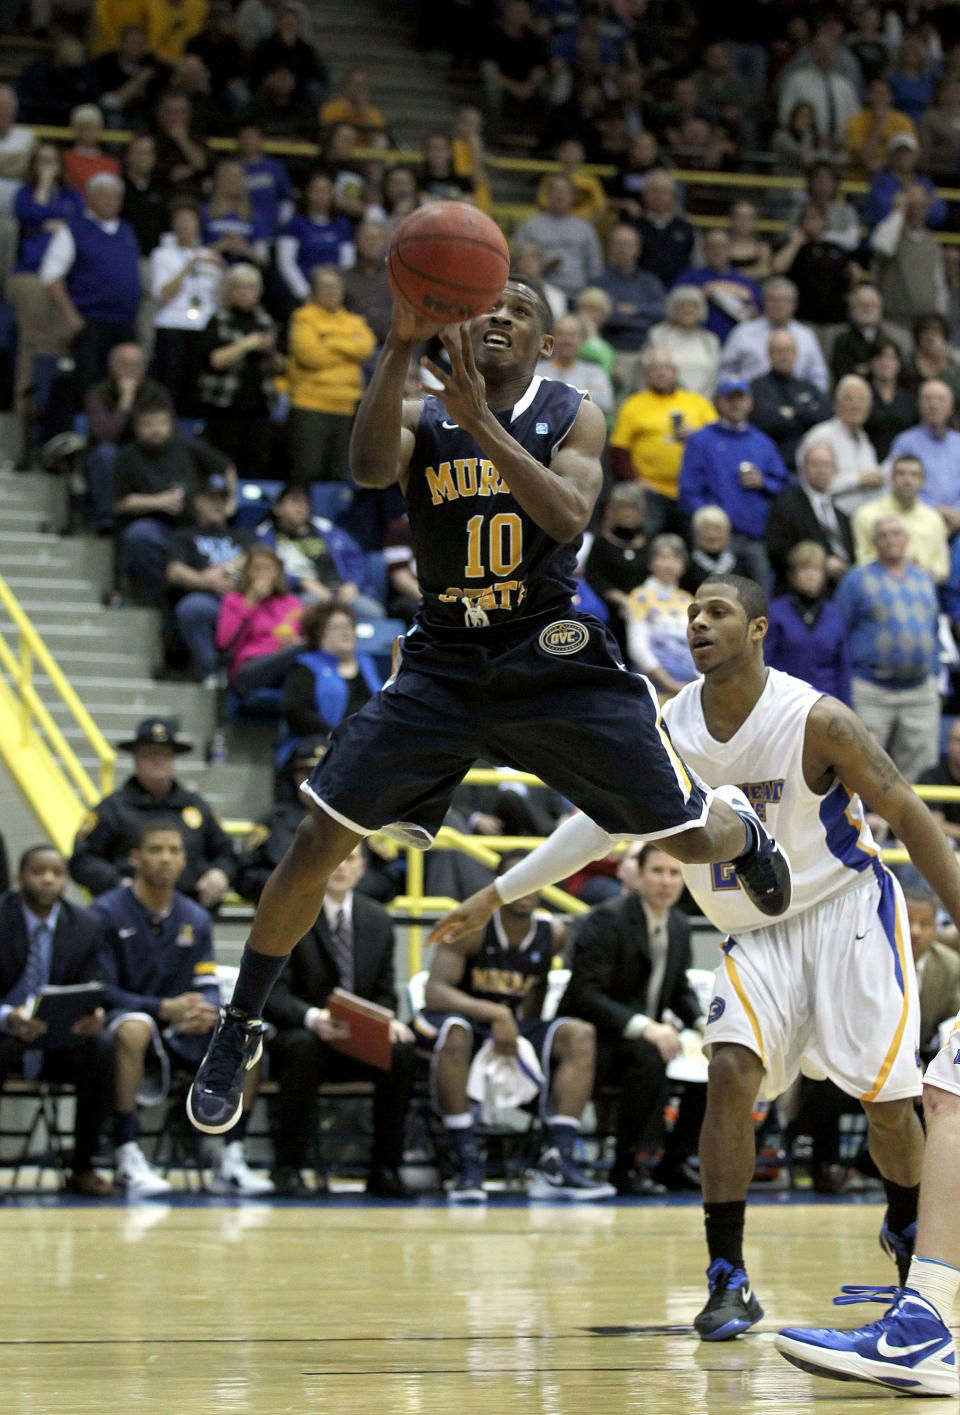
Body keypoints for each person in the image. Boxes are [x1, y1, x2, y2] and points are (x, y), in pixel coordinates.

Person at [185, 277, 792, 1140]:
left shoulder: (574, 411)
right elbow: (362, 468)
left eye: (522, 311)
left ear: (546, 343)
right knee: (319, 834)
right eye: (488, 306)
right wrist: (397, 346)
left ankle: (745, 830)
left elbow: (568, 513)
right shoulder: (423, 403)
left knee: (688, 838)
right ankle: (239, 1022)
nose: (500, 316)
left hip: (547, 651)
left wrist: (480, 425)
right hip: (443, 653)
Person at [431, 572, 960, 1343]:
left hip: (846, 911)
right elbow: (603, 823)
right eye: (691, 614)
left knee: (887, 1107)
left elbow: (909, 812)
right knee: (728, 1073)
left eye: (717, 611)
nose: (699, 624)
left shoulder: (818, 717)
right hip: (752, 932)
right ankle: (728, 1274)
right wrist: (500, 890)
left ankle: (911, 1235)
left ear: (757, 629)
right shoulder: (668, 727)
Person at [415, 850, 613, 1202]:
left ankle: (557, 1160)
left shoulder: (552, 934)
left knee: (579, 1034)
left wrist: (520, 1036)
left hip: (508, 1028)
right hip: (460, 1024)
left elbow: (535, 994)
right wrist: (496, 1014)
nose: (526, 887)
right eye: (517, 878)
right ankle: (466, 1160)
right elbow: (434, 991)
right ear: (499, 885)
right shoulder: (473, 928)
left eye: (533, 878)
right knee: (457, 1032)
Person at [93, 820, 270, 1199]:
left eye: (175, 850)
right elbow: (102, 990)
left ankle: (231, 1156)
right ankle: (125, 1154)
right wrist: (163, 1008)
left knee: (247, 1035)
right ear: (135, 858)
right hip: (126, 1026)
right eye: (156, 850)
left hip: (183, 1027)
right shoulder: (105, 912)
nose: (166, 858)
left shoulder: (195, 917)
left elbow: (206, 981)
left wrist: (204, 1009)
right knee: (134, 1027)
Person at [264, 843, 415, 1197]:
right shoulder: (291, 911)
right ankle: (289, 1167)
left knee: (402, 1051)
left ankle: (385, 1168)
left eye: (348, 859)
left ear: (361, 868)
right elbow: (273, 994)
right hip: (307, 1036)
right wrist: (313, 1017)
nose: (340, 866)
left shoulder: (377, 919)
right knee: (301, 1049)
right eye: (333, 856)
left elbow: (384, 991)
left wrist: (384, 1019)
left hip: (358, 1038)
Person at [560, 841, 705, 1194]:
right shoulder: (607, 919)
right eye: (657, 871)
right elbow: (584, 994)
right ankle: (627, 1165)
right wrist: (645, 1027)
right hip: (597, 1037)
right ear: (638, 876)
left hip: (645, 1035)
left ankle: (675, 1161)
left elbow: (679, 989)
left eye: (674, 873)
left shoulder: (681, 926)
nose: (666, 881)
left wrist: (702, 1023)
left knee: (714, 1058)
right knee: (649, 1057)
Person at [0, 845, 114, 1196]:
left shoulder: (87, 925)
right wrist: (9, 1016)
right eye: (38, 872)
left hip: (57, 1036)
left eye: (57, 873)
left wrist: (92, 1016)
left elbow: (96, 986)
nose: (48, 879)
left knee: (102, 1046)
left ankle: (83, 1166)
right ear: (20, 877)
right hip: (5, 1033)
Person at [70, 716, 237, 910]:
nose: (158, 760)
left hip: (190, 910)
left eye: (164, 754)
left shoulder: (196, 806)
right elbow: (82, 860)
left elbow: (228, 853)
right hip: (129, 911)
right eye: (149, 754)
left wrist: (221, 874)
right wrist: (118, 883)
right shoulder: (112, 808)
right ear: (136, 759)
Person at [835, 514, 941, 783]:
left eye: (896, 534)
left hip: (920, 691)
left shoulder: (924, 579)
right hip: (872, 690)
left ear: (906, 539)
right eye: (883, 535)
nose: (890, 540)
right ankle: (867, 825)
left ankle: (905, 827)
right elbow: (839, 632)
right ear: (874, 542)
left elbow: (933, 629)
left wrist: (935, 676)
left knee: (920, 769)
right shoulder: (855, 579)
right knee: (863, 765)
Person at [113, 403, 236, 601]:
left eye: (161, 423)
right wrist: (156, 502)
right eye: (148, 425)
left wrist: (231, 502)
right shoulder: (127, 456)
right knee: (139, 535)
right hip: (158, 526)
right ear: (137, 428)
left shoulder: (187, 446)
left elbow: (227, 467)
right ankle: (162, 596)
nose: (156, 430)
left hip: (194, 525)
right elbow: (119, 503)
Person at [39, 172, 142, 398]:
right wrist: (71, 316)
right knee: (89, 380)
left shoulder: (126, 230)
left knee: (125, 383)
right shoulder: (74, 229)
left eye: (115, 197)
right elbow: (51, 276)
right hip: (90, 320)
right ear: (90, 199)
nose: (110, 202)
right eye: (104, 196)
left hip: (124, 321)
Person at [678, 377, 788, 587]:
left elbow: (782, 484)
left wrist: (763, 482)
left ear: (750, 402)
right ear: (718, 402)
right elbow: (688, 491)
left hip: (755, 539)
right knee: (714, 602)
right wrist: (709, 522)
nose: (735, 403)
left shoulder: (763, 443)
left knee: (760, 603)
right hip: (715, 541)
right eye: (729, 398)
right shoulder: (701, 440)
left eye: (741, 398)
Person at [608, 348, 715, 539]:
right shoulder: (634, 404)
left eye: (666, 367)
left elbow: (718, 443)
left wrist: (697, 435)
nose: (661, 372)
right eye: (654, 368)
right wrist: (636, 480)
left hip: (692, 491)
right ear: (646, 374)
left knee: (693, 541)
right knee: (648, 538)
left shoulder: (698, 403)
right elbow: (618, 451)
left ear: (675, 372)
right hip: (650, 490)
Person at [286, 266, 377, 485]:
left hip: (346, 406)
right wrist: (348, 351)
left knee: (338, 474)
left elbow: (366, 347)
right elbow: (309, 355)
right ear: (314, 291)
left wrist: (328, 341)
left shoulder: (355, 321)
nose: (331, 291)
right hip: (310, 404)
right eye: (325, 287)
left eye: (335, 286)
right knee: (307, 470)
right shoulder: (303, 317)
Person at [165, 476, 253, 682]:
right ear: (197, 501)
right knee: (192, 608)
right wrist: (206, 581)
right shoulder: (185, 535)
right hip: (210, 600)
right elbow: (174, 571)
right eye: (211, 498)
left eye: (223, 499)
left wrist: (227, 569)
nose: (218, 503)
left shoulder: (241, 535)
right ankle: (212, 673)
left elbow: (258, 556)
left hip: (246, 599)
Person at [197, 263, 280, 482]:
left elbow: (280, 366)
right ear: (229, 291)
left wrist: (272, 354)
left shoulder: (266, 322)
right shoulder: (218, 320)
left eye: (250, 287)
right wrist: (247, 344)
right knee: (223, 463)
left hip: (259, 406)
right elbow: (213, 360)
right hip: (224, 407)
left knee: (256, 463)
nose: (244, 293)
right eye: (239, 287)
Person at [254, 482, 382, 617]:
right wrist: (301, 582)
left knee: (374, 613)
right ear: (277, 507)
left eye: (305, 503)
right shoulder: (266, 536)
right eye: (294, 502)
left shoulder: (327, 529)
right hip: (300, 595)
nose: (301, 508)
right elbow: (265, 570)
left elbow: (355, 558)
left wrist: (353, 584)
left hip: (341, 592)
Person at [83, 342, 173, 535]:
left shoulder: (156, 393)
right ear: (112, 367)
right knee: (105, 454)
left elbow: (169, 432)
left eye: (137, 365)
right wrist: (125, 402)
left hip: (148, 453)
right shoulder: (98, 393)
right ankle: (108, 520)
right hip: (113, 456)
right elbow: (105, 435)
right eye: (126, 364)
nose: (132, 371)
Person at [149, 198, 223, 416]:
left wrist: (224, 271)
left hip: (203, 326)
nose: (185, 225)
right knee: (172, 384)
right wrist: (188, 265)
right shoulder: (161, 255)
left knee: (198, 386)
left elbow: (223, 298)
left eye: (190, 220)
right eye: (180, 221)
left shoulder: (211, 256)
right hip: (172, 326)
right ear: (173, 225)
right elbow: (163, 294)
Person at [281, 602, 382, 751]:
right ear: (318, 633)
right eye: (337, 627)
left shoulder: (366, 662)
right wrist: (331, 735)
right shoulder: (306, 665)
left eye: (349, 625)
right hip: (325, 745)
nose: (346, 632)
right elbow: (295, 711)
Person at [765, 541, 852, 703]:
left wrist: (846, 708)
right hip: (784, 703)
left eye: (816, 570)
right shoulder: (775, 612)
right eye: (804, 569)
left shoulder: (835, 615)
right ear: (792, 574)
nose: (810, 576)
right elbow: (765, 663)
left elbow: (843, 667)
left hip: (826, 703)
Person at [765, 440, 854, 597]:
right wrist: (820, 563)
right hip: (797, 596)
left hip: (839, 593)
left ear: (835, 470)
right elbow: (776, 550)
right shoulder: (786, 505)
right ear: (803, 469)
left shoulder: (842, 516)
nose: (821, 470)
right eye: (815, 464)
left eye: (826, 465)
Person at [216, 545, 303, 699]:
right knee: (306, 647)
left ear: (278, 573)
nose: (262, 575)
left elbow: (300, 635)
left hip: (285, 667)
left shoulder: (291, 602)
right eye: (256, 569)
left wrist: (291, 641)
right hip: (249, 669)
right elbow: (225, 643)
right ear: (247, 573)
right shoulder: (234, 599)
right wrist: (251, 601)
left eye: (268, 569)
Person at [718, 276, 829, 392]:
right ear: (764, 302)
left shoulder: (806, 336)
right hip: (752, 401)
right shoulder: (743, 332)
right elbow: (725, 371)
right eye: (774, 300)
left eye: (784, 300)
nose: (779, 305)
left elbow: (819, 377)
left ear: (794, 304)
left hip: (798, 402)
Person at [853, 453, 949, 583]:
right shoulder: (867, 514)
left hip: (923, 589)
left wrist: (919, 572)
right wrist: (896, 565)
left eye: (914, 475)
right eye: (901, 474)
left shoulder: (934, 519)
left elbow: (942, 570)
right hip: (878, 588)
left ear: (923, 481)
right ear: (892, 479)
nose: (907, 480)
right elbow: (862, 561)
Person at [798, 375, 885, 518]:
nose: (856, 405)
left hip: (864, 520)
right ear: (837, 404)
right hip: (829, 520)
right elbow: (809, 484)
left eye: (862, 400)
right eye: (849, 399)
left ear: (869, 408)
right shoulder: (821, 436)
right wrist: (858, 480)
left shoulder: (865, 441)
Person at [749, 329, 832, 472]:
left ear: (796, 354)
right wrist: (806, 416)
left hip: (808, 467)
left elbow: (827, 414)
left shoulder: (807, 387)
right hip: (771, 465)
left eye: (789, 350)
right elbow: (763, 420)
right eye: (779, 351)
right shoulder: (757, 387)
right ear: (769, 354)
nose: (784, 356)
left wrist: (793, 412)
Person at [512, 173, 603, 302]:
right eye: (556, 191)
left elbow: (595, 269)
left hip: (577, 295)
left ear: (573, 197)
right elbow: (517, 262)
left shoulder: (585, 229)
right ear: (547, 195)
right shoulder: (530, 226)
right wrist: (543, 265)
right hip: (538, 293)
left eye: (565, 191)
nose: (560, 195)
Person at [625, 534, 697, 696]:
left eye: (675, 558)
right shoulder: (639, 596)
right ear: (651, 562)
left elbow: (696, 643)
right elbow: (637, 648)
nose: (669, 564)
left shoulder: (687, 599)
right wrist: (670, 684)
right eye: (663, 557)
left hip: (689, 687)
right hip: (653, 687)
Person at [887, 380, 960, 537]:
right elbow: (897, 486)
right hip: (917, 523)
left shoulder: (958, 443)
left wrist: (957, 515)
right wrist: (938, 511)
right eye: (928, 399)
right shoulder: (904, 442)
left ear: (951, 407)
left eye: (940, 399)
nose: (934, 405)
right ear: (919, 405)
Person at [276, 171, 354, 307]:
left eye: (326, 190)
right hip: (304, 292)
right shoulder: (295, 223)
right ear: (307, 193)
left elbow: (347, 263)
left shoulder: (342, 224)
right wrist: (304, 293)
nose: (321, 195)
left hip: (334, 292)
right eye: (316, 190)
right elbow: (286, 262)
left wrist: (336, 291)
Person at [594, 223, 665, 359]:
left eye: (628, 244)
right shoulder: (600, 283)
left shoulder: (650, 281)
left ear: (638, 248)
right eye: (619, 244)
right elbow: (609, 317)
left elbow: (661, 311)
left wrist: (635, 309)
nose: (623, 249)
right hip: (611, 349)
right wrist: (644, 318)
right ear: (610, 248)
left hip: (647, 350)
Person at [906, 887, 960, 1065]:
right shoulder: (868, 961)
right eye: (907, 921)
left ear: (936, 928)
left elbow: (951, 1023)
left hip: (927, 1061)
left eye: (924, 924)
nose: (915, 931)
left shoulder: (950, 964)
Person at [644, 286, 721, 401]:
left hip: (703, 404)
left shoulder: (711, 340)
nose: (688, 310)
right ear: (673, 309)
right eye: (682, 305)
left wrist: (700, 402)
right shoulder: (658, 335)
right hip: (664, 402)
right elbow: (651, 371)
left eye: (693, 306)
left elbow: (714, 377)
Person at [535, 314, 613, 418]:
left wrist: (552, 398)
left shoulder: (595, 373)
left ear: (582, 339)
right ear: (551, 339)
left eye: (572, 335)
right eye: (561, 334)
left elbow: (605, 403)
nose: (566, 340)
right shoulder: (537, 370)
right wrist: (584, 394)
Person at [830, 284, 911, 384]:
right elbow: (842, 372)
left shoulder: (892, 338)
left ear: (880, 309)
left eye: (872, 305)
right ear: (852, 309)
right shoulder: (842, 340)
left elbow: (903, 373)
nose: (867, 309)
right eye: (862, 305)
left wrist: (866, 369)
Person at [635, 171, 695, 289]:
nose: (659, 196)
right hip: (640, 291)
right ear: (644, 194)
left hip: (679, 291)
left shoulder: (686, 229)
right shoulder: (633, 228)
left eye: (663, 192)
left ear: (673, 196)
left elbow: (695, 265)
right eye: (654, 191)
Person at [864, 338, 917, 460]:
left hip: (902, 463)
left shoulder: (908, 399)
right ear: (871, 362)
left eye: (891, 358)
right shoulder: (862, 395)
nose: (885, 363)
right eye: (879, 358)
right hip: (868, 461)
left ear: (899, 364)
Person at [681, 506, 752, 596]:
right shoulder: (687, 563)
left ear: (727, 533)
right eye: (706, 529)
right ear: (696, 533)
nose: (712, 535)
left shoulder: (740, 563)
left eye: (718, 529)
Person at [916, 718, 960, 848]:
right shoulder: (931, 777)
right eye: (958, 741)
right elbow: (933, 824)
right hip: (944, 849)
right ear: (948, 744)